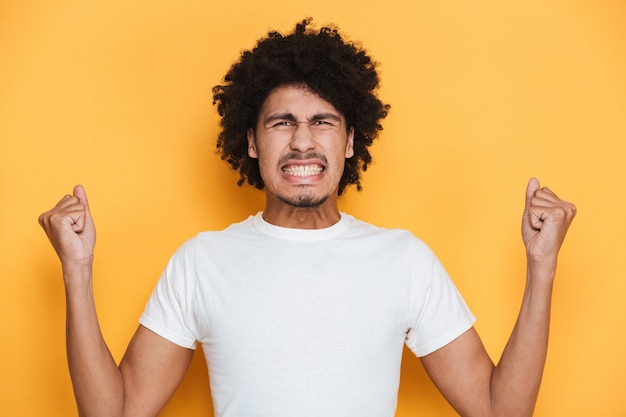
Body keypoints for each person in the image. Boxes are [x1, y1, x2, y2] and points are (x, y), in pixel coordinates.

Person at [38, 18, 576, 417]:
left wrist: (541, 265)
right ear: (250, 141)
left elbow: (498, 410)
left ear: (349, 142)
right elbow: (114, 413)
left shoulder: (404, 259)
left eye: (322, 122)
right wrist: (77, 270)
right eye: (281, 123)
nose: (302, 142)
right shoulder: (201, 262)